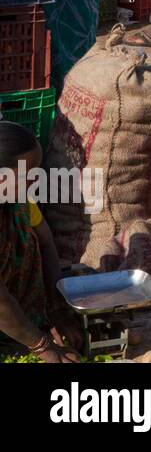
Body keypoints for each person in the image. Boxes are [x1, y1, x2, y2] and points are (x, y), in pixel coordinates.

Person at [0, 122, 84, 362]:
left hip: (12, 304)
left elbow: (45, 243)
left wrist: (57, 309)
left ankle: (20, 326)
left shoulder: (17, 202)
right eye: (28, 176)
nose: (35, 182)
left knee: (29, 237)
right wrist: (41, 346)